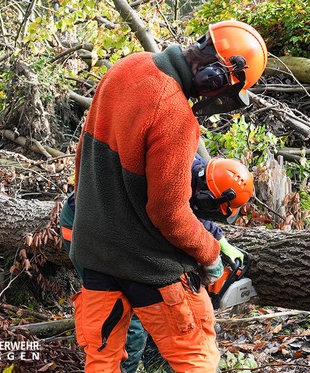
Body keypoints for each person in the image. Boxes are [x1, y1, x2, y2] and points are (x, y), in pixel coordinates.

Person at [68, 19, 266, 372]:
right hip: (149, 267)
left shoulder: (129, 65)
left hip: (94, 255)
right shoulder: (174, 114)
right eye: (223, 89)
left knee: (102, 362)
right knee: (196, 359)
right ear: (215, 77)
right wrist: (209, 254)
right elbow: (168, 212)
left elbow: (85, 157)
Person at [61, 154, 251, 372]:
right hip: (84, 227)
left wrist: (219, 240)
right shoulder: (168, 170)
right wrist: (208, 255)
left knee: (140, 305)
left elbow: (189, 204)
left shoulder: (191, 166)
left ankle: (154, 360)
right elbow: (174, 212)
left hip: (117, 222)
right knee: (122, 317)